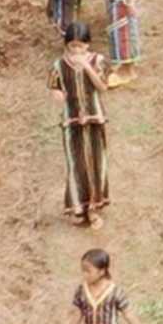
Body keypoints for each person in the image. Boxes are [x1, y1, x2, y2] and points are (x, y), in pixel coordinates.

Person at [57, 27, 111, 227]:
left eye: (80, 45)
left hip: (94, 119)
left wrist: (86, 67)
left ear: (88, 45)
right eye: (72, 46)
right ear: (67, 45)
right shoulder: (59, 66)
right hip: (71, 122)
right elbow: (55, 88)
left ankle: (94, 208)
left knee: (96, 163)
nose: (76, 50)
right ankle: (78, 207)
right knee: (76, 164)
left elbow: (103, 86)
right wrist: (58, 96)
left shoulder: (98, 61)